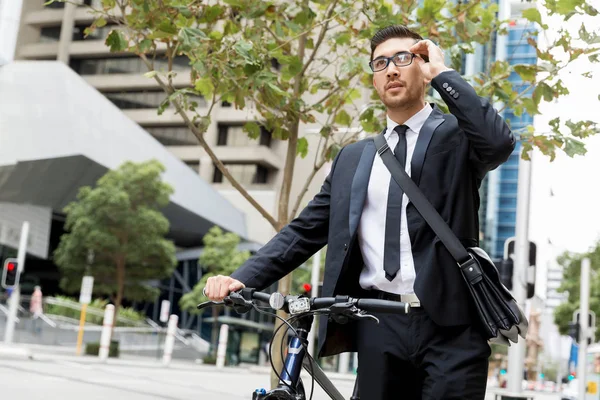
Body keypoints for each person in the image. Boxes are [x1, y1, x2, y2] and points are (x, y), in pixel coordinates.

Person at [204, 25, 515, 399]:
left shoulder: (456, 135)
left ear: (423, 65)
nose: (392, 70)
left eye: (404, 58)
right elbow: (306, 230)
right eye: (380, 63)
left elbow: (498, 142)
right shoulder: (353, 158)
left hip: (452, 327)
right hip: (376, 321)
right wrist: (243, 277)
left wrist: (443, 74)